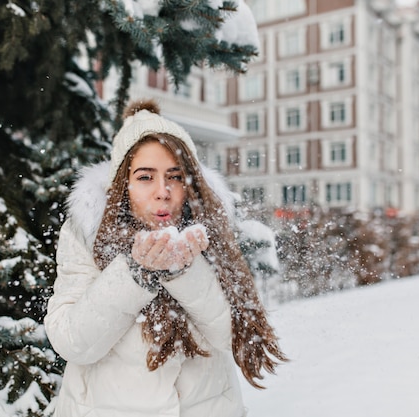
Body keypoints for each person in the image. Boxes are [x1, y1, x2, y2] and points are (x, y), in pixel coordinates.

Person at [44, 98, 287, 417]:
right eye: (145, 177)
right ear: (123, 184)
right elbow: (73, 342)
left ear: (190, 184)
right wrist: (135, 272)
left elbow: (233, 336)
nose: (163, 191)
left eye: (174, 176)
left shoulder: (207, 233)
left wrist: (184, 270)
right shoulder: (85, 234)